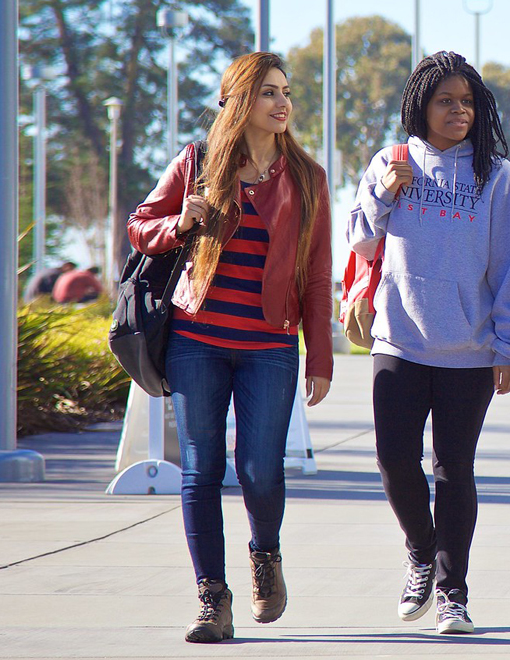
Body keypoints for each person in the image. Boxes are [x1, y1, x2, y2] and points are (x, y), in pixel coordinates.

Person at [126, 51, 334, 644]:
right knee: (200, 469)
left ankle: (264, 554)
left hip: (270, 343)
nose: (283, 103)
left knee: (261, 471)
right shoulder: (196, 164)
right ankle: (211, 598)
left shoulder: (307, 178)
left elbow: (317, 275)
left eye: (286, 92)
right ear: (239, 101)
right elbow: (142, 224)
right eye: (269, 92)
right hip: (199, 338)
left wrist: (318, 357)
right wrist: (180, 224)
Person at [346, 51, 510, 635]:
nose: (459, 111)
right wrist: (380, 191)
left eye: (468, 102)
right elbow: (361, 242)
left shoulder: (498, 177)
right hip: (397, 341)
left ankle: (453, 593)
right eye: (446, 101)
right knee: (393, 459)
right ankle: (421, 553)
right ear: (421, 106)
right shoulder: (390, 162)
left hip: (469, 351)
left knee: (454, 470)